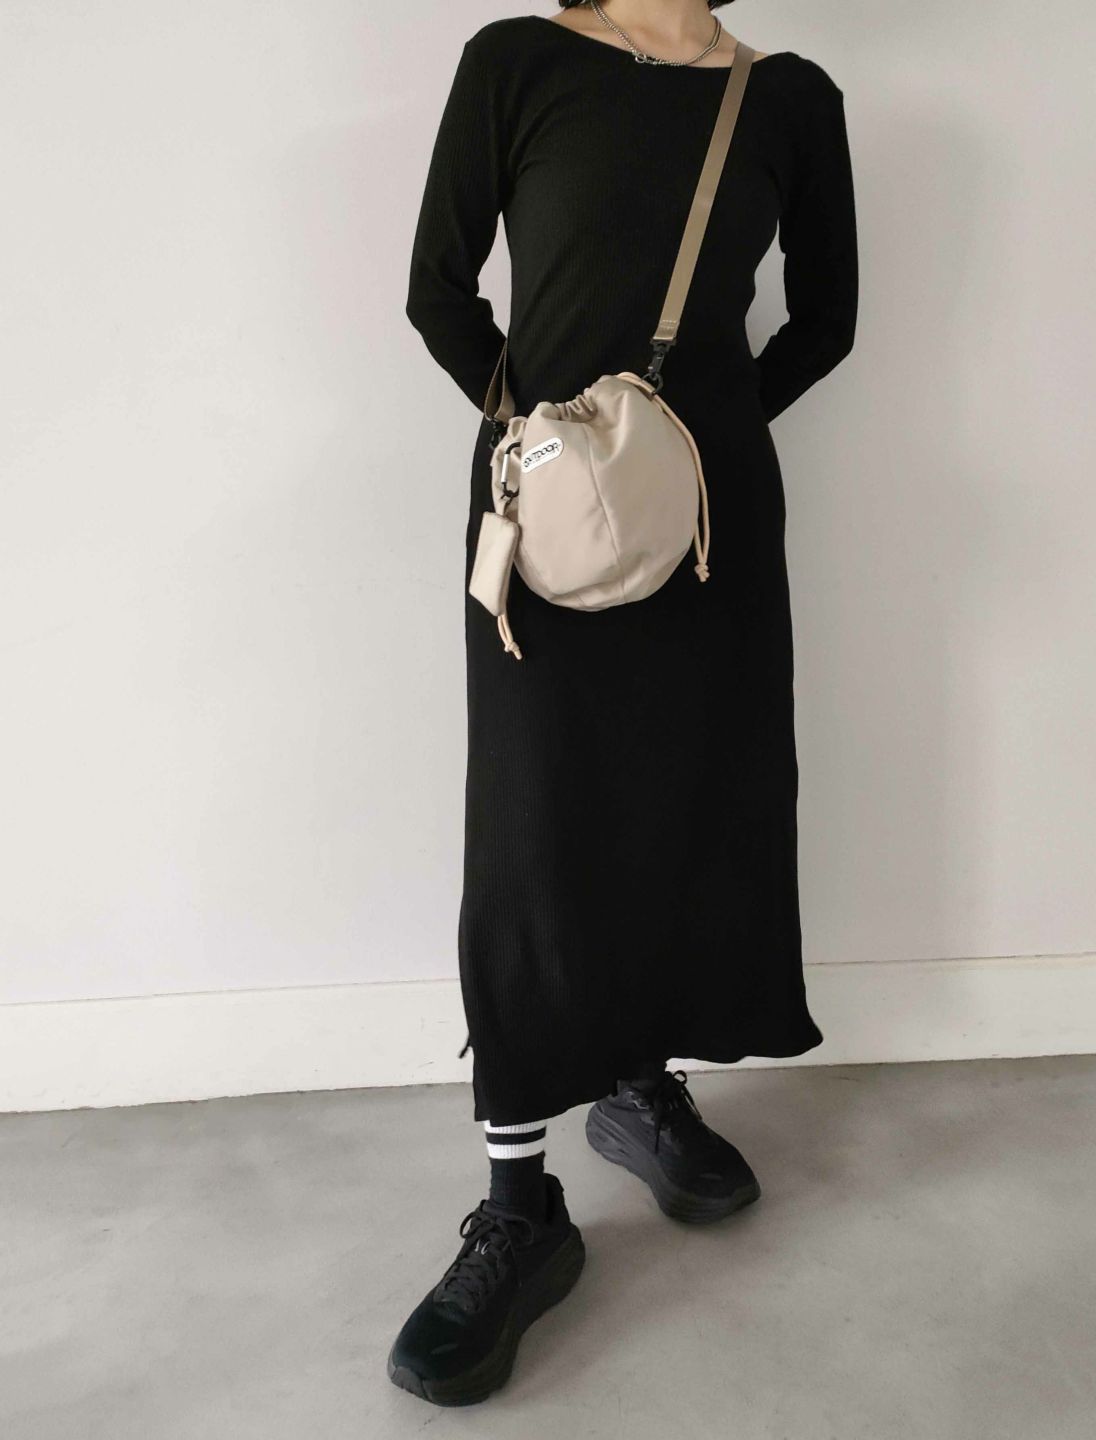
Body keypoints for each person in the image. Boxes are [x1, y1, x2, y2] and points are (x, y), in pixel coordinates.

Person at [389, 0, 858, 1406]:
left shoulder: (792, 97)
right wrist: (545, 443)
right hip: (543, 523)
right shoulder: (518, 63)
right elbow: (437, 289)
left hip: (710, 528)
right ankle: (518, 1207)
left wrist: (685, 450)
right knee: (536, 831)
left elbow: (827, 323)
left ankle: (638, 1084)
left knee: (688, 805)